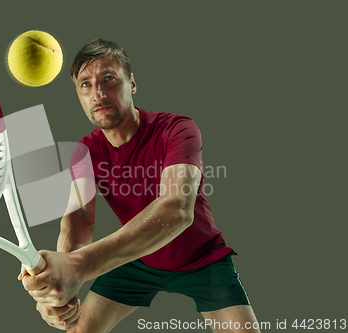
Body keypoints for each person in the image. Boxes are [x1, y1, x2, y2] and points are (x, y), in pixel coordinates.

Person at [19, 39, 260, 333]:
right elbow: (79, 222)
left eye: (109, 79)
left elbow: (177, 208)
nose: (97, 93)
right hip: (137, 258)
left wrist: (77, 267)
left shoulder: (177, 129)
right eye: (85, 84)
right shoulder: (84, 152)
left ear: (131, 84)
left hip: (201, 258)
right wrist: (60, 291)